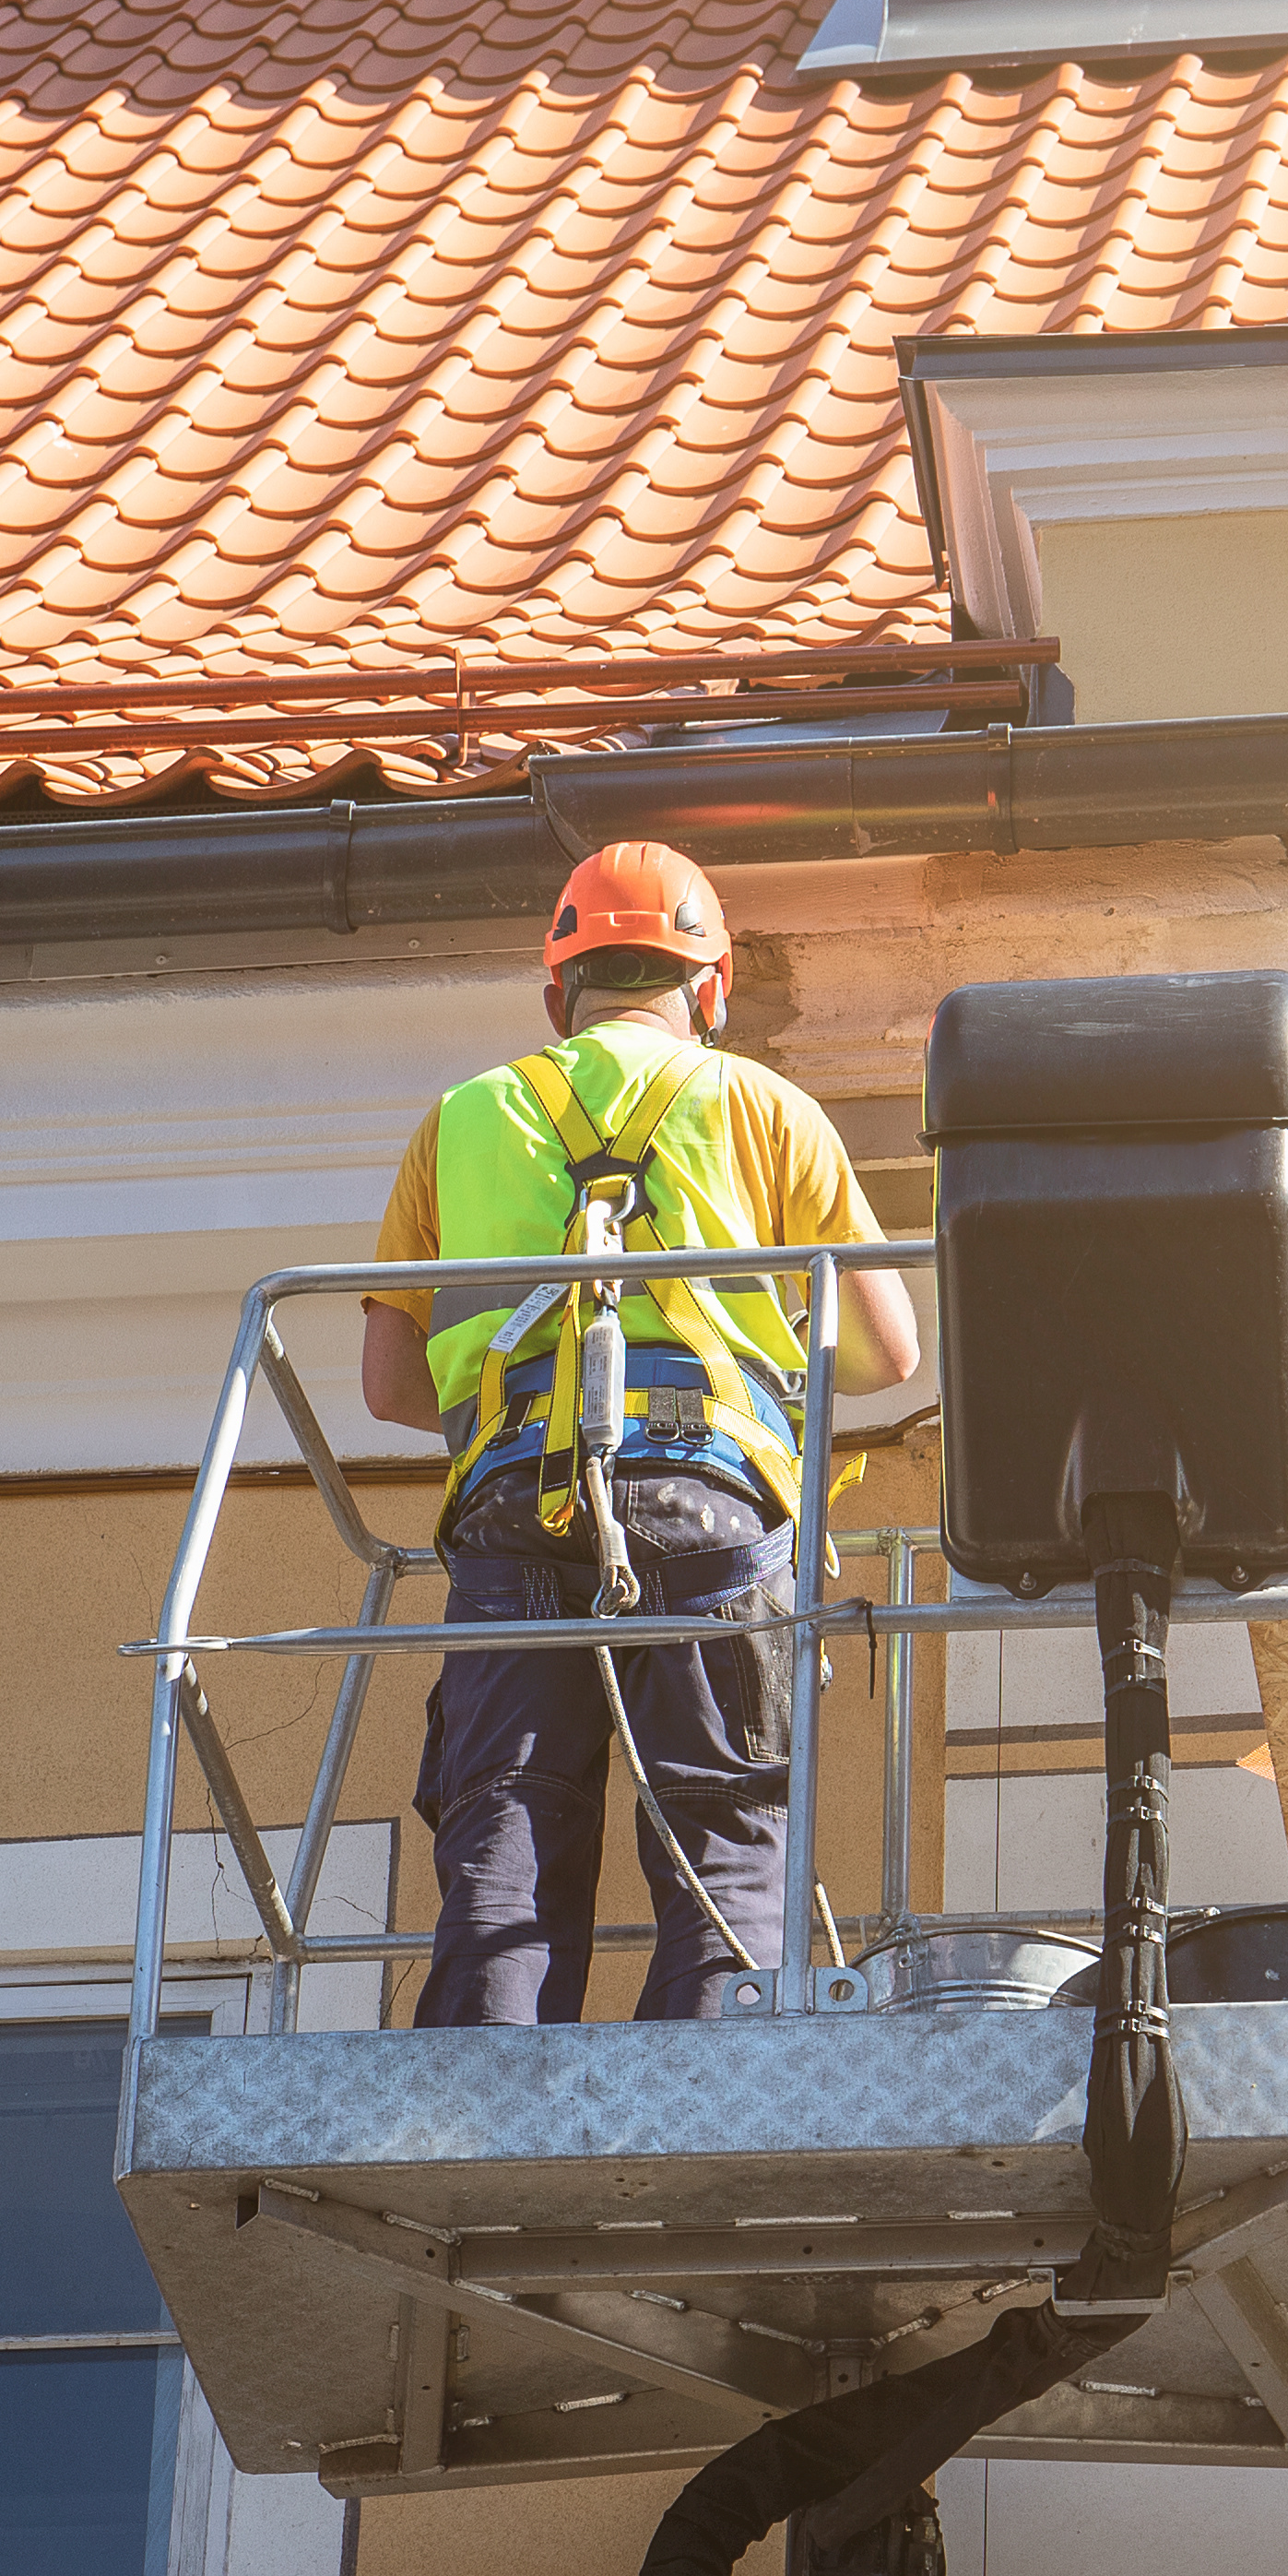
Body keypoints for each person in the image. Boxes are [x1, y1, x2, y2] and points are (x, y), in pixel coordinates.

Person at [356, 841, 917, 2024]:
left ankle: (479, 2102)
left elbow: (390, 1384)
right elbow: (884, 1354)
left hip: (515, 1504)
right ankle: (712, 2087)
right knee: (721, 1820)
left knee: (504, 1817)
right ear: (708, 989)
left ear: (558, 994)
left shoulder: (464, 1116)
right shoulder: (766, 1106)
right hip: (710, 1506)